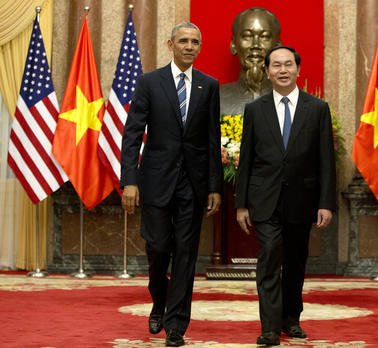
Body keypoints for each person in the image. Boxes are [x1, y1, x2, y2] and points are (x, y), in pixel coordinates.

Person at [120, 22, 222, 347]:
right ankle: (158, 300)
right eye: (184, 41)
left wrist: (214, 186)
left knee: (186, 254)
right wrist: (130, 181)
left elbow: (211, 140)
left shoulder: (210, 85)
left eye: (195, 42)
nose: (189, 46)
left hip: (192, 185)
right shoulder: (150, 82)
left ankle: (176, 325)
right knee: (158, 248)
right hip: (155, 181)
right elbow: (132, 134)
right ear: (170, 44)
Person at [235, 46, 337, 346]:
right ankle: (268, 327)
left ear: (298, 69)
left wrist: (325, 204)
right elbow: (247, 160)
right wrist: (241, 204)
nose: (282, 70)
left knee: (295, 262)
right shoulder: (255, 110)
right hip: (264, 201)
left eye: (288, 65)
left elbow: (325, 161)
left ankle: (291, 319)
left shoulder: (317, 109)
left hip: (302, 202)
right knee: (268, 257)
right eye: (276, 65)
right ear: (267, 71)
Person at [220, 7, 281, 116]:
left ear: (277, 47)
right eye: (247, 36)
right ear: (233, 45)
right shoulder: (216, 99)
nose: (256, 45)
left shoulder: (293, 99)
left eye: (264, 37)